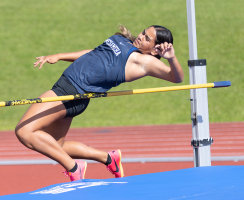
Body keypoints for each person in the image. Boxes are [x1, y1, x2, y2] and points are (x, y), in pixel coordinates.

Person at [15, 25, 184, 181]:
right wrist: (60, 56)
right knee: (56, 145)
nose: (141, 37)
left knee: (24, 131)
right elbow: (93, 54)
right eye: (143, 33)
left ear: (156, 49)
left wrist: (171, 58)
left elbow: (176, 78)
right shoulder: (123, 41)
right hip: (70, 91)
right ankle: (108, 158)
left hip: (70, 92)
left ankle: (74, 168)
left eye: (147, 38)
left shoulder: (143, 62)